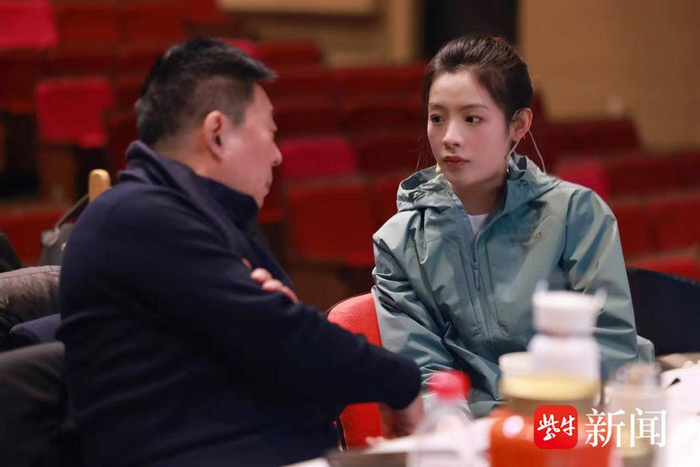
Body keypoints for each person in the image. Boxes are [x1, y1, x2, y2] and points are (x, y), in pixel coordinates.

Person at [58, 39, 422, 467]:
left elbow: (286, 350)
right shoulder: (136, 215)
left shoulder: (213, 220)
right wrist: (399, 381)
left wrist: (276, 318)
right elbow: (283, 336)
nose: (277, 156)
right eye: (269, 132)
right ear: (217, 133)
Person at [371, 36, 654, 418]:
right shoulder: (398, 243)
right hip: (476, 430)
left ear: (518, 124)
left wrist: (539, 427)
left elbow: (610, 348)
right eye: (437, 118)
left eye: (472, 118)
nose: (450, 137)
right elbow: (426, 374)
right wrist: (461, 435)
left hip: (577, 418)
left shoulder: (576, 214)